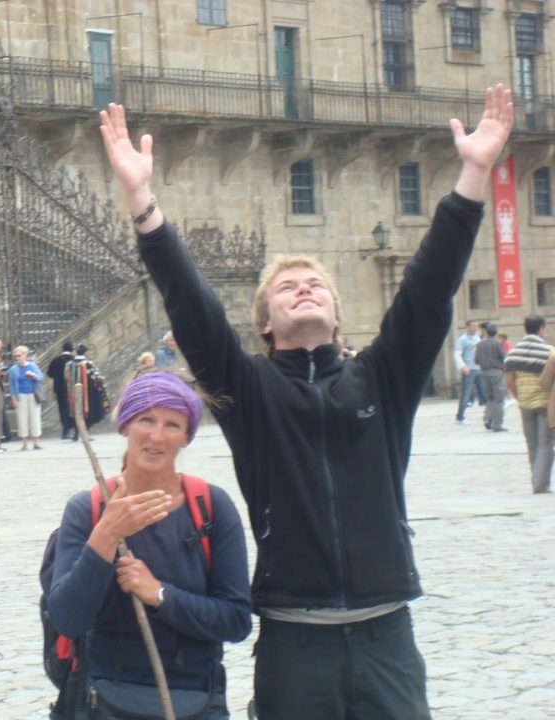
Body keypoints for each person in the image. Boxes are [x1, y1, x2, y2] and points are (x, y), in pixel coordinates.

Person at [99, 85, 514, 719]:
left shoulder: (382, 377)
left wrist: (474, 172)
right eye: (287, 287)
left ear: (338, 314)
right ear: (265, 322)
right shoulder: (252, 391)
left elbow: (431, 288)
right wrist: (141, 199)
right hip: (294, 641)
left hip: (387, 633)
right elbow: (191, 304)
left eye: (315, 284)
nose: (303, 290)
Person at [47, 371, 252, 718]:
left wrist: (159, 595)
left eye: (172, 425)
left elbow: (235, 620)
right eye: (146, 419)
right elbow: (67, 619)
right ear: (125, 425)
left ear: (187, 437)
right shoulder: (88, 509)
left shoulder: (211, 507)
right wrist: (105, 537)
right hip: (107, 699)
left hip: (196, 699)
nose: (156, 436)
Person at [505, 314, 553, 494]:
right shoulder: (548, 351)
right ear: (541, 328)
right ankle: (541, 483)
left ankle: (536, 479)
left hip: (524, 403)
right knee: (545, 443)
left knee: (531, 442)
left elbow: (510, 380)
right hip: (544, 402)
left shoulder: (514, 352)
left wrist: (518, 397)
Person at [65, 344, 109, 441]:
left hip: (74, 393)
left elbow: (66, 378)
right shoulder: (88, 364)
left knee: (76, 411)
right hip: (87, 394)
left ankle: (76, 434)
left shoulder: (70, 365)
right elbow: (96, 378)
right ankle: (86, 434)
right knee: (86, 412)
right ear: (85, 353)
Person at [7, 345, 44, 450]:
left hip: (33, 394)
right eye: (15, 356)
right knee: (21, 418)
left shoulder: (32, 366)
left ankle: (36, 442)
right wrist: (13, 397)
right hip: (20, 395)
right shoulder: (13, 369)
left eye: (19, 355)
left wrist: (33, 375)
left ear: (25, 355)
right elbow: (12, 384)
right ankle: (24, 443)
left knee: (35, 417)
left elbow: (41, 377)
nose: (17, 358)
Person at [475, 322, 507, 432]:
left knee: (489, 398)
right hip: (496, 373)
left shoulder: (480, 344)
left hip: (484, 373)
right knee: (499, 400)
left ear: (486, 331)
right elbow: (504, 358)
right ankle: (497, 425)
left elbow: (476, 360)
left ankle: (488, 419)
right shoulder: (497, 344)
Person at [454, 319, 484, 423]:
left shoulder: (478, 336)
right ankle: (460, 416)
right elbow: (457, 354)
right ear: (467, 327)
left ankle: (490, 414)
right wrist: (463, 367)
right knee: (466, 394)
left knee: (484, 392)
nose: (475, 328)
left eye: (476, 326)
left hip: (479, 368)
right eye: (473, 326)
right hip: (469, 369)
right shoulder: (463, 339)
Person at [48, 341, 76, 440]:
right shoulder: (73, 360)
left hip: (59, 388)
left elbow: (49, 373)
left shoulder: (56, 360)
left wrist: (57, 378)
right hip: (71, 389)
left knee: (62, 409)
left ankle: (65, 430)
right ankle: (74, 428)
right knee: (72, 409)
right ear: (71, 350)